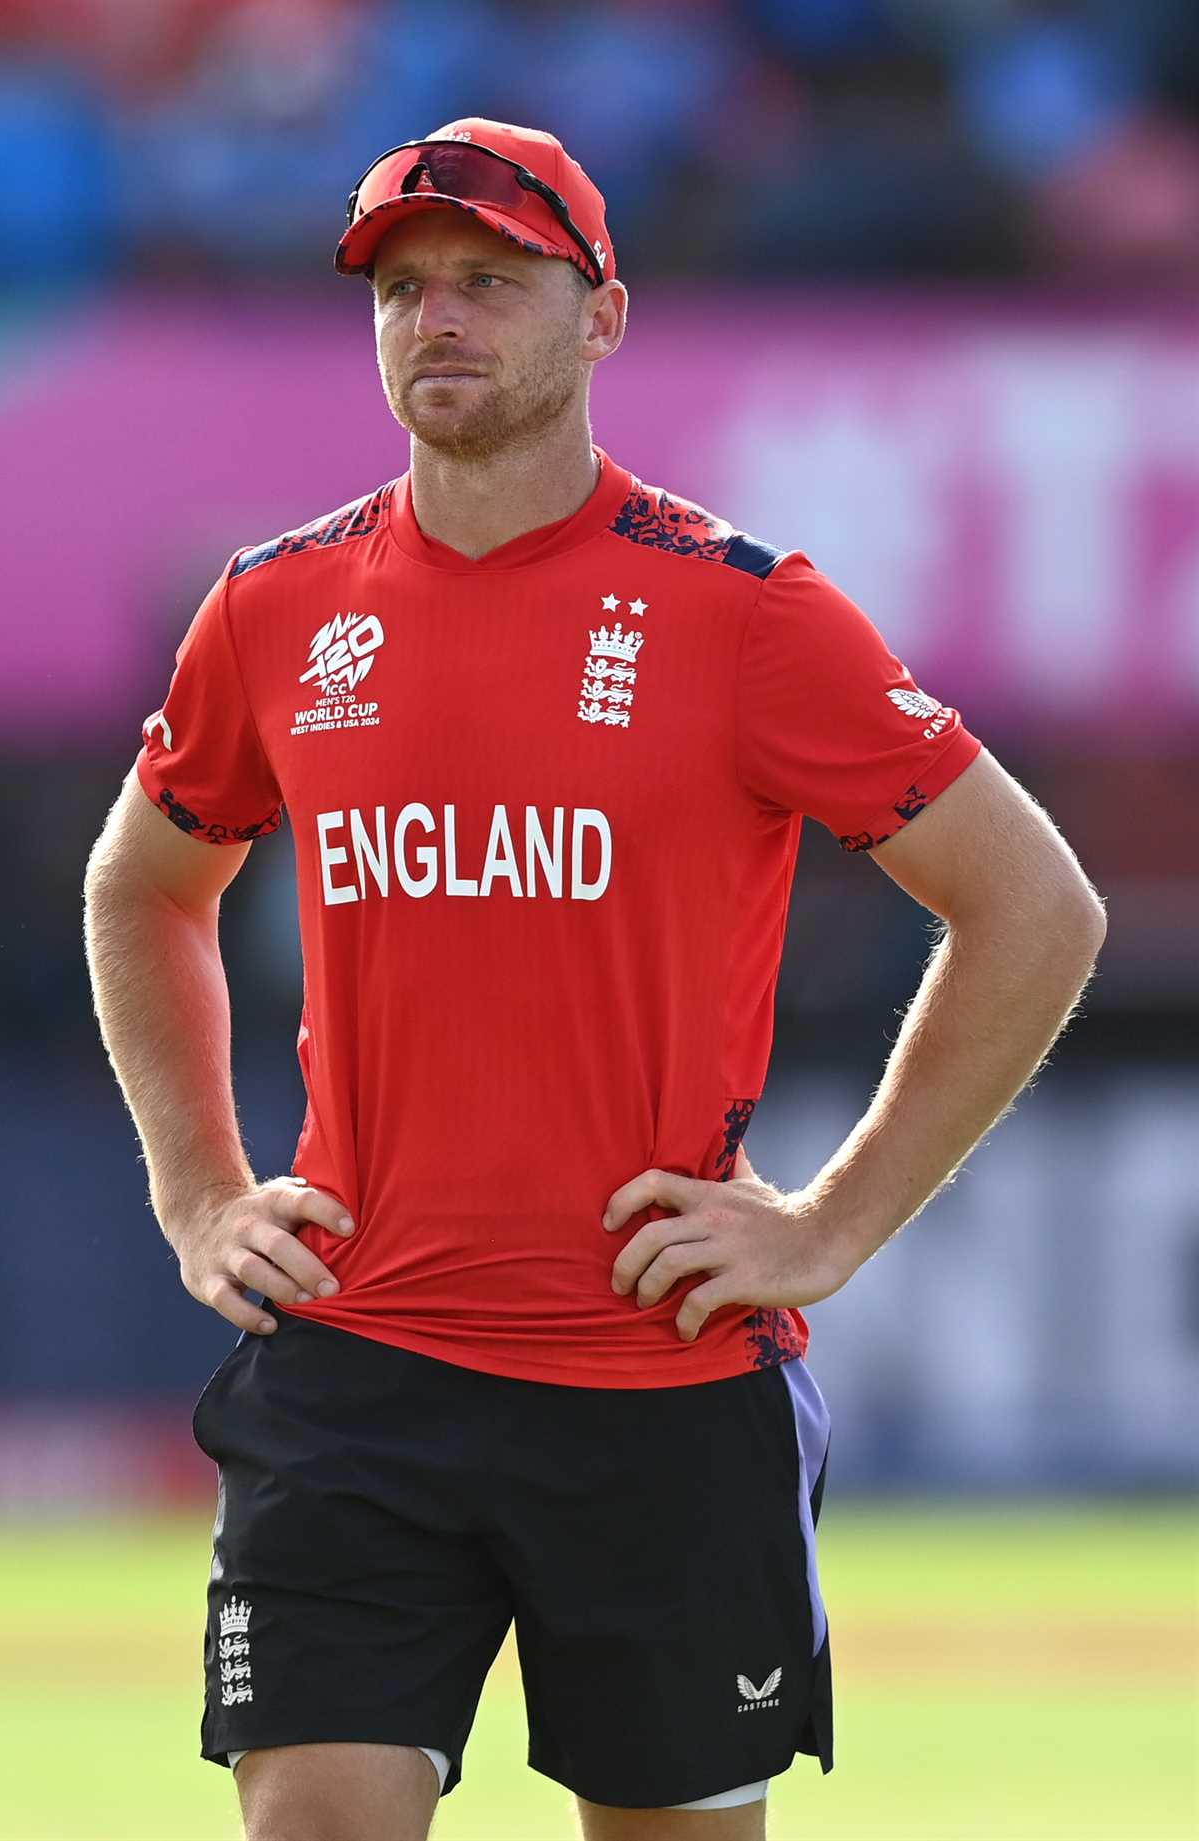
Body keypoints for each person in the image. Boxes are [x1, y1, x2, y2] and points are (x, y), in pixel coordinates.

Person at [83, 118, 1107, 1841]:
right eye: (405, 288)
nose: (441, 319)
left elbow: (1037, 907)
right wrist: (197, 1190)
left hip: (660, 1381)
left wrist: (829, 1222)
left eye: (493, 279)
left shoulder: (747, 611)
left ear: (603, 318)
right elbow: (143, 888)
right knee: (315, 1818)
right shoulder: (274, 606)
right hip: (357, 1365)